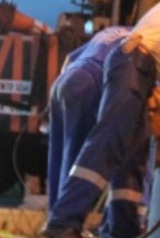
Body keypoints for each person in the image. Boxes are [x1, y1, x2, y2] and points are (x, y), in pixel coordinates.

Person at [40, 0, 160, 238]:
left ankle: (94, 224)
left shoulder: (152, 22)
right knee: (111, 142)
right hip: (120, 70)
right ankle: (65, 224)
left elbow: (71, 61)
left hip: (67, 82)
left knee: (75, 154)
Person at [46, 25, 131, 210]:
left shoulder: (113, 31)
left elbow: (70, 58)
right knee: (75, 157)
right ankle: (63, 222)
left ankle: (53, 216)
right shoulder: (141, 42)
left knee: (58, 152)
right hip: (86, 83)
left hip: (63, 82)